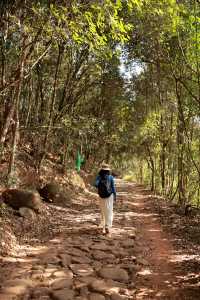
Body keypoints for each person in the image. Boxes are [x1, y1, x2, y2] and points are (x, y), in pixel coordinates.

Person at [95, 164, 116, 235]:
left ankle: (103, 226)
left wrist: (100, 184)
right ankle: (108, 226)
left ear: (101, 170)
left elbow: (95, 184)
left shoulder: (99, 176)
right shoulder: (111, 177)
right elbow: (113, 188)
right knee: (109, 211)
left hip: (101, 197)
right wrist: (115, 196)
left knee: (103, 211)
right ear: (108, 170)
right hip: (109, 196)